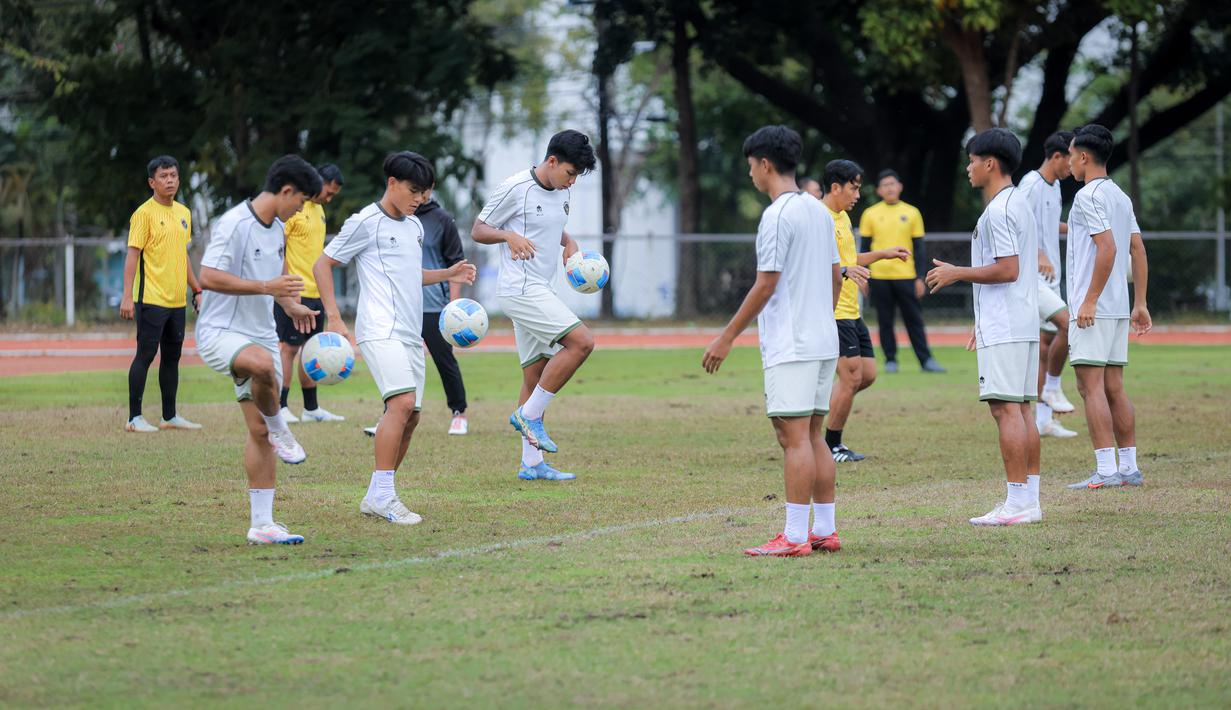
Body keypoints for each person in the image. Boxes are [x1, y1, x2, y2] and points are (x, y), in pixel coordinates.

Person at [314, 151, 476, 526]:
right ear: (392, 183)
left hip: (409, 331)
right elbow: (323, 264)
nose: (419, 199)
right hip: (379, 328)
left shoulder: (414, 226)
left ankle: (376, 494)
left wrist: (446, 272)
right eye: (413, 191)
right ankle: (386, 496)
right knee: (401, 404)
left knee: (413, 415)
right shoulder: (365, 222)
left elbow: (407, 274)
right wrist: (334, 318)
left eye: (423, 193)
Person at [703, 125, 844, 556]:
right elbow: (837, 275)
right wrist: (822, 313)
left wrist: (726, 338)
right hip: (823, 338)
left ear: (765, 164)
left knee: (793, 438)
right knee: (815, 434)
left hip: (793, 342)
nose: (751, 175)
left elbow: (765, 285)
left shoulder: (777, 215)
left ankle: (796, 537)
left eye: (751, 167)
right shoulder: (819, 210)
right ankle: (824, 529)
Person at [195, 155, 322, 544]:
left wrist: (292, 304)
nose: (300, 209)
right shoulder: (234, 223)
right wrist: (266, 288)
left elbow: (279, 282)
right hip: (221, 331)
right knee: (264, 367)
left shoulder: (277, 229)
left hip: (261, 332)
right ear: (286, 191)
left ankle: (262, 524)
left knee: (257, 431)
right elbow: (208, 276)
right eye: (300, 201)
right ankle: (281, 424)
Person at [926, 128, 1042, 526]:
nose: (968, 168)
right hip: (1019, 321)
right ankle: (1029, 500)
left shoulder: (999, 210)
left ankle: (1017, 503)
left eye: (972, 160)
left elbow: (1008, 269)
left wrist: (958, 273)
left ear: (990, 162)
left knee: (1004, 408)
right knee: (1021, 409)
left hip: (1007, 322)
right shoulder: (1018, 202)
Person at [471, 129, 598, 482]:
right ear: (552, 161)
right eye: (570, 173)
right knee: (583, 342)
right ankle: (529, 414)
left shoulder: (561, 193)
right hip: (520, 289)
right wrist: (508, 235)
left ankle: (532, 464)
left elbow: (551, 227)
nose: (571, 182)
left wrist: (569, 242)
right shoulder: (516, 188)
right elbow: (478, 230)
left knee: (535, 374)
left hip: (541, 287)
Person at [1062, 124, 1151, 490]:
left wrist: (1089, 299)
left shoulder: (1086, 196)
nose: (1068, 162)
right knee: (1114, 386)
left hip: (1093, 308)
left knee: (1090, 387)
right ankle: (1128, 468)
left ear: (1083, 156)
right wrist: (1140, 303)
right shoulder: (1118, 195)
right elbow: (1137, 249)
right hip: (1117, 307)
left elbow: (1108, 249)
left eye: (1070, 155)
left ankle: (1106, 470)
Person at [806, 161, 912, 462]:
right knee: (851, 378)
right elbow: (813, 264)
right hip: (835, 310)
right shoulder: (820, 218)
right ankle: (831, 445)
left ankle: (815, 405)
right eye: (853, 188)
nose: (857, 195)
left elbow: (849, 259)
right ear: (836, 187)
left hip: (852, 311)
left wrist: (882, 253)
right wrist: (845, 270)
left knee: (867, 375)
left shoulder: (841, 218)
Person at [120, 155, 203, 433]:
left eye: (173, 176)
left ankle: (170, 416)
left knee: (172, 358)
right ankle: (134, 418)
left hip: (176, 300)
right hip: (150, 299)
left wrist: (197, 288)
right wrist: (126, 296)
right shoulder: (143, 214)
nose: (169, 180)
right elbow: (132, 257)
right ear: (151, 182)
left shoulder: (183, 213)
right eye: (163, 176)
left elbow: (183, 256)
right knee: (145, 354)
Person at [1018, 132, 1080, 439]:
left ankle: (1042, 421)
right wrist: (1040, 252)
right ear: (1057, 157)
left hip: (1051, 277)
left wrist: (1075, 228)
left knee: (1044, 346)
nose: (1073, 166)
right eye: (1070, 159)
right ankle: (1052, 388)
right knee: (1068, 327)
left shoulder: (1054, 186)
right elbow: (1019, 222)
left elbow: (1046, 223)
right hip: (1034, 276)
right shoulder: (1031, 184)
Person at [276, 163, 345, 424]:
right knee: (289, 349)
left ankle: (311, 408)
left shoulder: (319, 210)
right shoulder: (295, 208)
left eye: (333, 195)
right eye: (328, 192)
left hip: (316, 292)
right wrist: (287, 288)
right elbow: (279, 249)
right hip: (294, 292)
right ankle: (281, 406)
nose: (329, 198)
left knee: (310, 349)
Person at [859, 170, 945, 373]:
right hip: (880, 276)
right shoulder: (870, 214)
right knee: (884, 320)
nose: (889, 188)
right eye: (885, 185)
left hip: (906, 276)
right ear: (879, 190)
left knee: (914, 319)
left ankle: (926, 360)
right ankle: (890, 360)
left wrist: (919, 277)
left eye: (892, 184)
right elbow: (864, 249)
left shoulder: (912, 212)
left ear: (900, 186)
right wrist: (862, 276)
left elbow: (919, 248)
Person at [419, 192, 471, 435]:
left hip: (434, 307)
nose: (419, 194)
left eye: (424, 188)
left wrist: (453, 307)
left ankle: (459, 413)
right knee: (401, 362)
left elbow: (456, 264)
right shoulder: (397, 218)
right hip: (402, 306)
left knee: (444, 360)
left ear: (430, 188)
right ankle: (390, 414)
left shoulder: (442, 220)